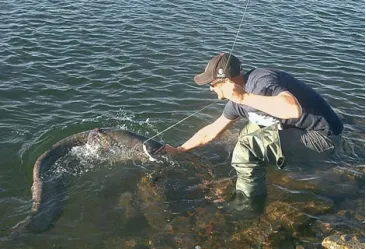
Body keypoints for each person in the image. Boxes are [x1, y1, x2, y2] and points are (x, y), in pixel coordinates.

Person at [164, 52, 343, 216]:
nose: (210, 89)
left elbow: (293, 109)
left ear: (226, 81)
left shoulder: (261, 80)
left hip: (324, 138)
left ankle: (248, 207)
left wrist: (243, 98)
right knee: (246, 134)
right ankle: (258, 178)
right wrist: (179, 150)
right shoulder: (236, 102)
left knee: (247, 146)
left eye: (211, 84)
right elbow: (212, 130)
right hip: (298, 131)